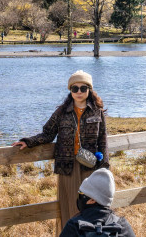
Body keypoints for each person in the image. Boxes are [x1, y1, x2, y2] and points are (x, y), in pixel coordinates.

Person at [13, 70, 109, 228]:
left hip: (90, 166)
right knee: (69, 206)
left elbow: (102, 140)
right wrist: (28, 141)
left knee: (91, 206)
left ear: (89, 90)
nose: (79, 92)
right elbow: (48, 133)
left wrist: (104, 167)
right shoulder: (62, 112)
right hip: (67, 167)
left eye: (83, 88)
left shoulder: (97, 112)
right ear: (70, 91)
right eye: (74, 88)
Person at [59, 168, 135, 237]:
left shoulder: (73, 226)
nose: (79, 198)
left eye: (81, 194)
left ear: (92, 200)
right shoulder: (122, 226)